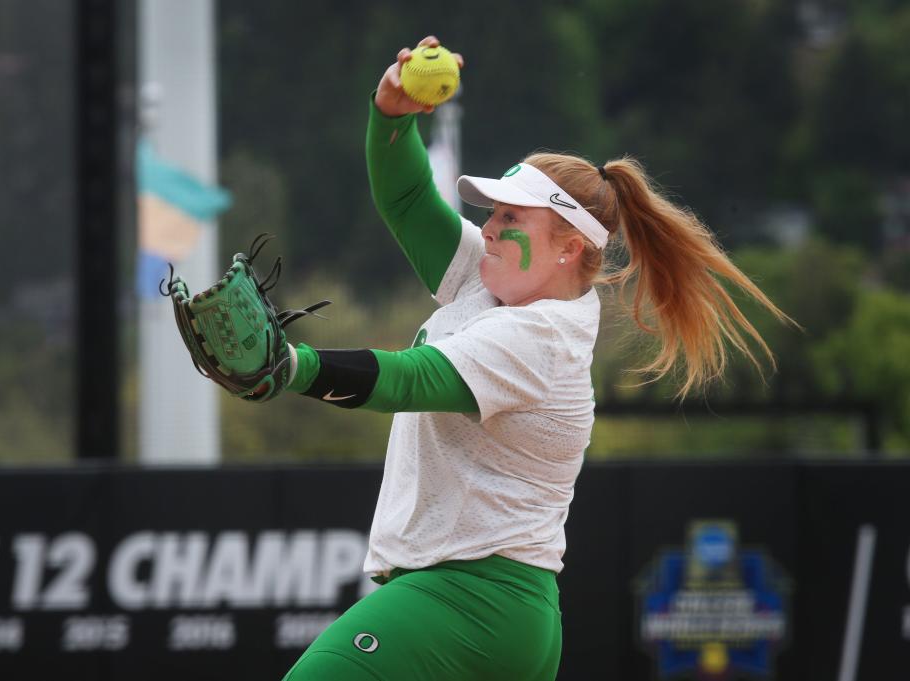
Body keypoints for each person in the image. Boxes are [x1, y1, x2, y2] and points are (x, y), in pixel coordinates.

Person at [277, 36, 792, 681]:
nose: (490, 227)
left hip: (468, 597)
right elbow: (408, 202)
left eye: (511, 217)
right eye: (492, 212)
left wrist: (291, 366)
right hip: (494, 610)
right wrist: (392, 115)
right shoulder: (488, 281)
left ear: (570, 247)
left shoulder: (543, 335)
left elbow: (412, 379)